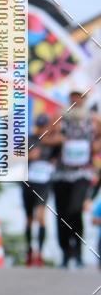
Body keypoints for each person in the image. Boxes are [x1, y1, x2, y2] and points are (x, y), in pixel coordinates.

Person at [49, 87, 101, 269]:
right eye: (73, 97)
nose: (76, 100)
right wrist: (59, 140)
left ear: (85, 99)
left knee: (75, 209)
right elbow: (45, 138)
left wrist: (95, 145)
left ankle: (78, 251)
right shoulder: (59, 117)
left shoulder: (93, 118)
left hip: (82, 172)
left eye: (79, 97)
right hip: (61, 173)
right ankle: (65, 252)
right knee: (61, 214)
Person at [22, 113, 56, 266]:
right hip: (28, 183)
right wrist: (29, 156)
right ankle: (29, 251)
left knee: (41, 217)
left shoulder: (52, 143)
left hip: (44, 184)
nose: (42, 129)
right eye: (40, 126)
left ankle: (40, 254)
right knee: (29, 219)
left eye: (45, 127)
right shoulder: (28, 140)